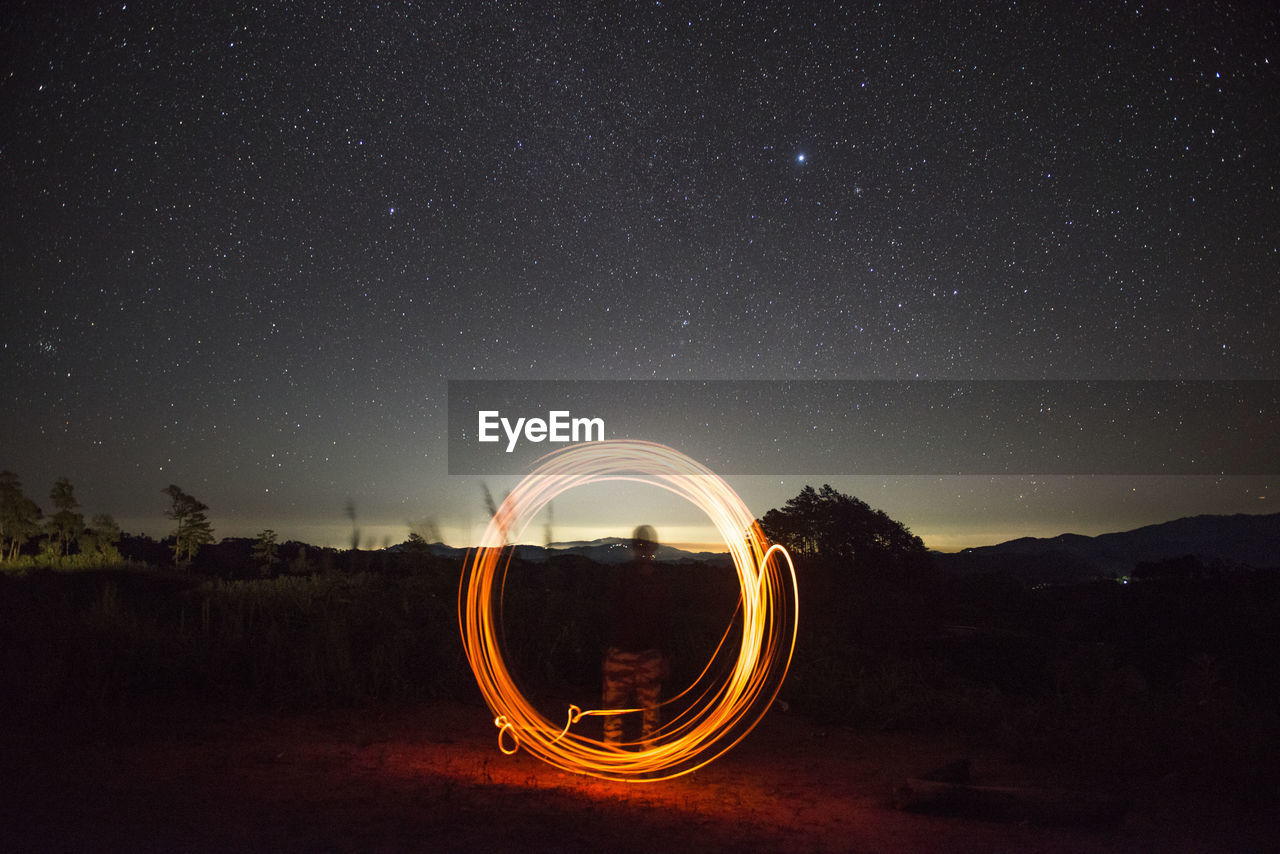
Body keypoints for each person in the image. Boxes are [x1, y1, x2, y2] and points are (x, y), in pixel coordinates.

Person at [602, 524, 669, 749]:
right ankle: (615, 758)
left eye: (645, 546)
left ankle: (645, 761)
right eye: (641, 546)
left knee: (648, 712)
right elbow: (611, 612)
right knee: (616, 711)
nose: (643, 550)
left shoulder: (656, 580)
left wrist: (663, 654)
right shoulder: (625, 577)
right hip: (624, 651)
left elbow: (664, 619)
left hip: (644, 653)